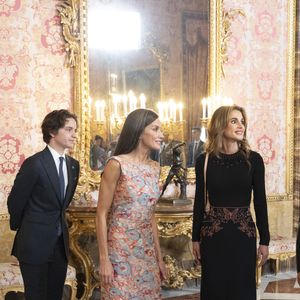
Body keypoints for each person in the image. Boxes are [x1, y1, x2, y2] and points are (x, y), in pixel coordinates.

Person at [192, 105, 270, 300]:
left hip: (243, 236)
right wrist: (195, 238)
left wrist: (265, 240)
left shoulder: (254, 160)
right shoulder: (204, 160)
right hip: (213, 236)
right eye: (234, 121)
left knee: (242, 289)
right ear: (220, 125)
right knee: (214, 289)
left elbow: (260, 202)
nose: (240, 126)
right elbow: (200, 202)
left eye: (242, 121)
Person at [7, 109, 79, 300]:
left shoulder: (73, 165)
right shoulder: (35, 164)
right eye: (69, 129)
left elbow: (62, 204)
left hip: (59, 245)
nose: (75, 134)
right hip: (33, 243)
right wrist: (28, 229)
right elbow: (15, 201)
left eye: (75, 130)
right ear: (53, 132)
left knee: (55, 295)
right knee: (36, 296)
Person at [96, 108, 167, 299]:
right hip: (119, 251)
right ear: (139, 131)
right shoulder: (116, 164)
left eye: (161, 130)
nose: (161, 135)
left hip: (147, 251)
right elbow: (101, 213)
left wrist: (159, 259)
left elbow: (150, 214)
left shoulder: (154, 168)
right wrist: (104, 260)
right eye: (156, 129)